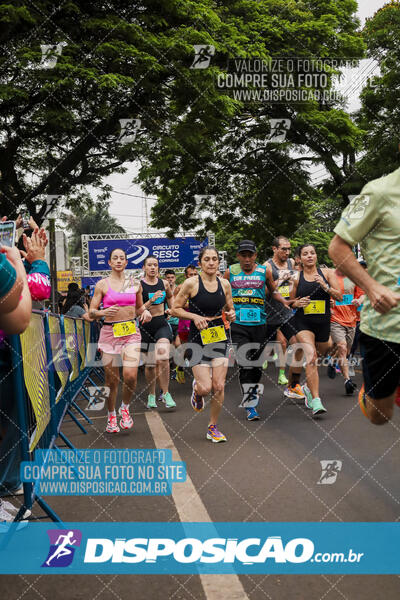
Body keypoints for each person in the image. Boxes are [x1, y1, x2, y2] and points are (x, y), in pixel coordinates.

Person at [329, 169, 400, 425]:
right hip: (387, 327)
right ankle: (371, 393)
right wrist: (371, 288)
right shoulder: (379, 192)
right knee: (379, 415)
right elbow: (337, 247)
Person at [172, 247, 235, 442]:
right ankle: (197, 391)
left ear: (218, 262)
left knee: (219, 385)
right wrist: (194, 316)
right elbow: (175, 309)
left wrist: (232, 314)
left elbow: (230, 308)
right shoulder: (191, 283)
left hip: (219, 337)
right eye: (206, 259)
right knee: (206, 388)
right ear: (200, 263)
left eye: (214, 259)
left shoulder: (224, 284)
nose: (211, 262)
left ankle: (212, 427)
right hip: (197, 339)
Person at [89, 248, 152, 433]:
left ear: (126, 263)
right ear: (109, 262)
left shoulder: (134, 283)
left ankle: (124, 408)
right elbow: (90, 313)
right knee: (111, 380)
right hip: (109, 333)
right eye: (114, 258)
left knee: (131, 376)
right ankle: (111, 416)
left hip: (131, 333)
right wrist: (101, 312)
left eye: (121, 258)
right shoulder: (102, 284)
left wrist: (145, 312)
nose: (118, 261)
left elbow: (139, 308)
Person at [224, 240, 284, 421]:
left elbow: (273, 291)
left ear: (255, 256)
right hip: (239, 324)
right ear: (238, 256)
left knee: (257, 365)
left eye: (250, 255)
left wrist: (287, 302)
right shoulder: (230, 271)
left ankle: (252, 393)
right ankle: (250, 405)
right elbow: (222, 293)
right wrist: (225, 313)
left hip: (260, 324)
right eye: (244, 255)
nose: (247, 259)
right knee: (245, 363)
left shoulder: (264, 271)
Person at [289, 244, 342, 416]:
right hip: (303, 322)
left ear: (316, 256)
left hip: (323, 323)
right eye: (305, 254)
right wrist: (297, 303)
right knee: (311, 357)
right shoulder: (296, 277)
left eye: (312, 253)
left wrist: (325, 287)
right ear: (300, 259)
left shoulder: (327, 274)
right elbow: (290, 302)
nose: (310, 256)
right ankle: (317, 400)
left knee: (324, 351)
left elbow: (339, 296)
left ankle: (306, 387)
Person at [263, 236, 304, 399]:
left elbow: (296, 282)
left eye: (289, 249)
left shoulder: (292, 263)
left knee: (298, 346)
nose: (287, 252)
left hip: (286, 313)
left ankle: (292, 385)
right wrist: (279, 281)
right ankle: (252, 392)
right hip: (268, 316)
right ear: (274, 249)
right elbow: (265, 292)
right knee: (256, 353)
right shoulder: (267, 267)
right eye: (283, 249)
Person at [140, 256, 176, 409]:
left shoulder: (164, 283)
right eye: (150, 265)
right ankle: (151, 394)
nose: (153, 268)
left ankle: (166, 393)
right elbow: (137, 308)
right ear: (144, 268)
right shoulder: (139, 286)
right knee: (149, 365)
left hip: (161, 324)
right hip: (145, 327)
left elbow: (170, 296)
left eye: (155, 265)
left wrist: (171, 309)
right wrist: (150, 302)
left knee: (163, 356)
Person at [328, 264, 364, 395]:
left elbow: (362, 295)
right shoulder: (330, 276)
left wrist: (359, 301)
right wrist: (329, 306)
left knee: (346, 351)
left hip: (352, 320)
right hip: (335, 319)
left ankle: (332, 360)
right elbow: (324, 293)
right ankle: (347, 381)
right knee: (342, 347)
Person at [173, 264, 198, 383]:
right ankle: (180, 367)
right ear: (185, 275)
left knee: (196, 346)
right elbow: (175, 305)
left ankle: (198, 375)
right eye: (190, 274)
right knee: (184, 347)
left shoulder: (201, 286)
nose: (193, 276)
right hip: (184, 320)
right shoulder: (180, 288)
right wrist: (189, 305)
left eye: (195, 274)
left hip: (198, 320)